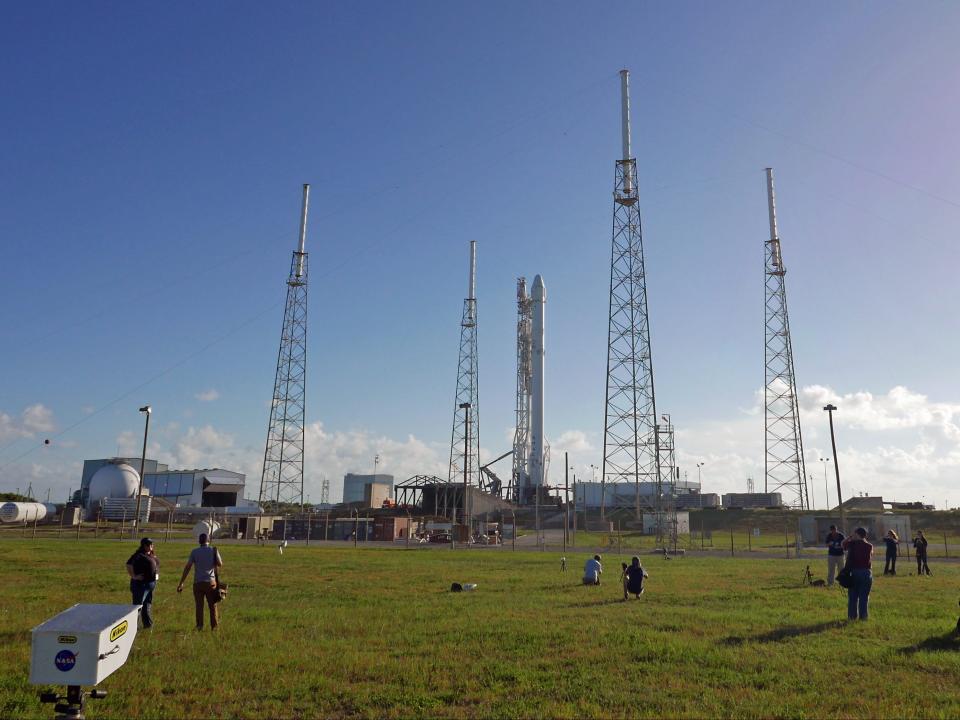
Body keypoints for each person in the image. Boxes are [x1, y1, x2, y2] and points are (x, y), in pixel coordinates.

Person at [176, 533, 223, 631]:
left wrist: (181, 582)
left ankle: (199, 626)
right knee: (212, 606)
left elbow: (188, 567)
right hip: (211, 583)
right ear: (208, 540)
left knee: (199, 606)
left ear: (199, 541)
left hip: (198, 583)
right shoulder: (213, 550)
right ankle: (214, 627)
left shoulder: (194, 552)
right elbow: (220, 564)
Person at [126, 537, 159, 628]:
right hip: (141, 585)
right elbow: (129, 564)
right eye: (150, 544)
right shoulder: (139, 555)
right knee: (138, 606)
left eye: (152, 544)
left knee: (147, 605)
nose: (152, 546)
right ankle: (133, 627)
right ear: (144, 546)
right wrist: (134, 576)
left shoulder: (151, 554)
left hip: (151, 584)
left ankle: (148, 625)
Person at [841, 527, 873, 621]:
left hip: (854, 572)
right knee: (864, 597)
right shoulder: (869, 546)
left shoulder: (852, 544)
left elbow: (842, 544)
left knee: (853, 597)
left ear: (857, 534)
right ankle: (863, 617)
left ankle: (852, 617)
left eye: (854, 533)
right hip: (866, 572)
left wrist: (849, 537)